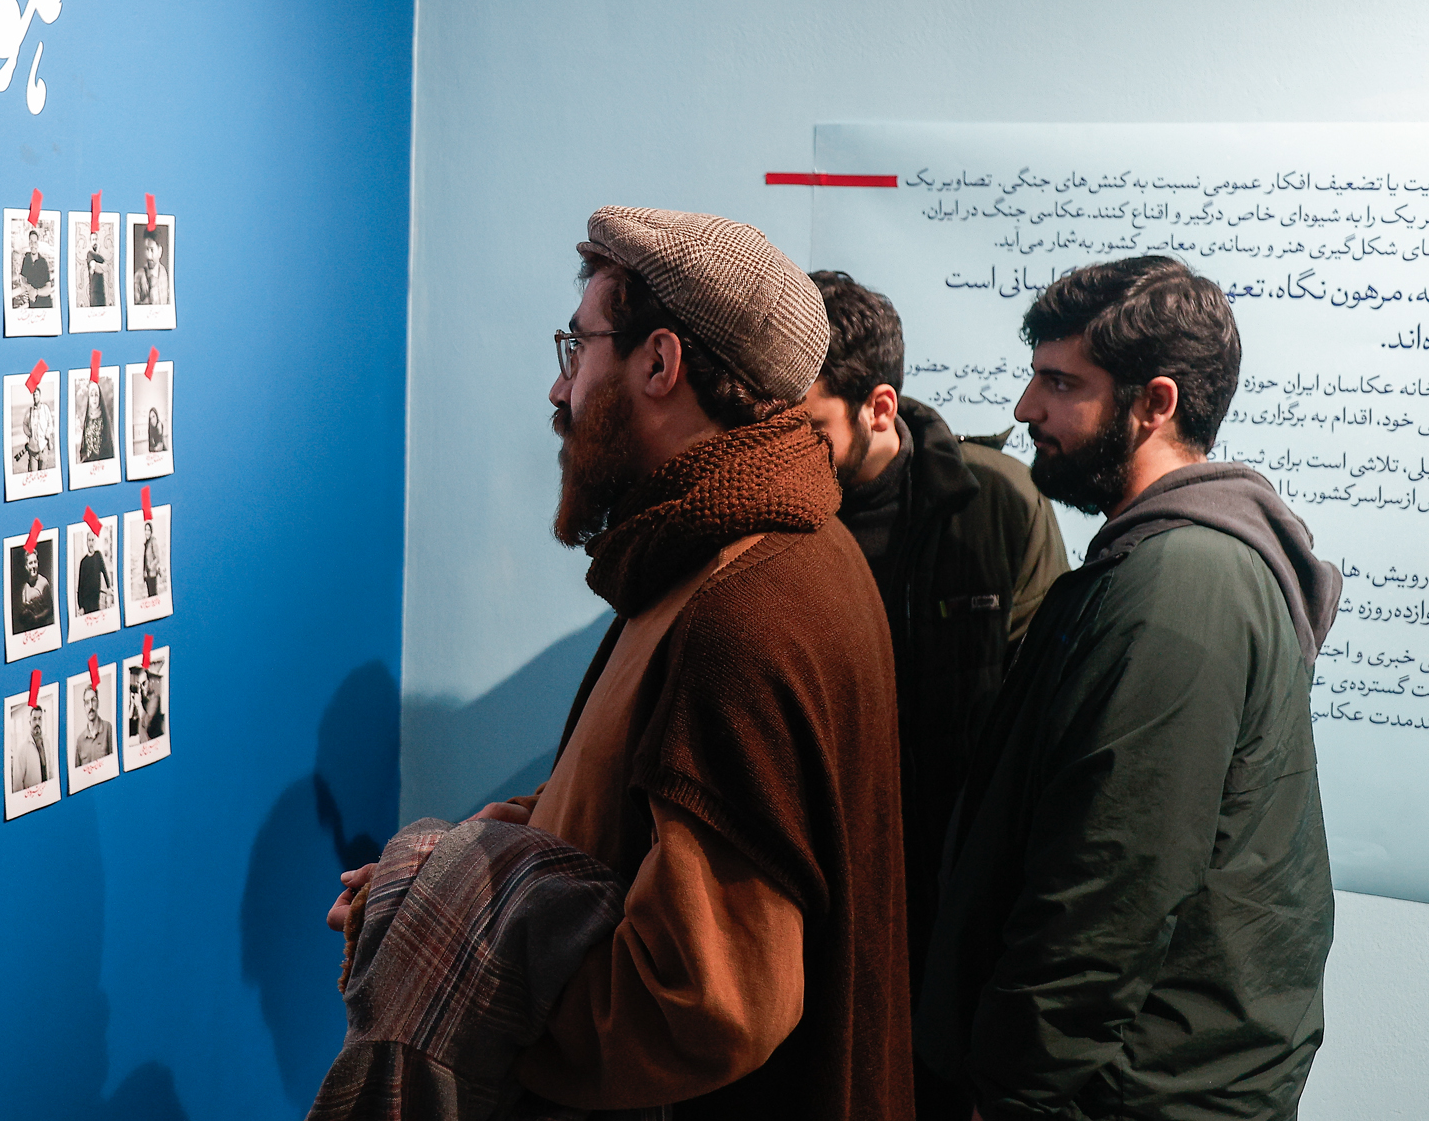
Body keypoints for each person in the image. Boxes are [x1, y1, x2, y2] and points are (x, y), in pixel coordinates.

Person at [333, 207, 912, 1118]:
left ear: (659, 362)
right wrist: (439, 882)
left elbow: (703, 1004)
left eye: (579, 347)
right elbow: (629, 798)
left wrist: (459, 967)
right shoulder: (753, 549)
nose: (559, 389)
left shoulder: (743, 609)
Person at [919, 257, 1338, 1121]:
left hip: (1132, 1094)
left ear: (1155, 403)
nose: (1025, 409)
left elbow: (1108, 891)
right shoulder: (1152, 562)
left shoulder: (1181, 586)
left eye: (1060, 383)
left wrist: (1013, 1092)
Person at [802, 273, 1069, 1119]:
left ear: (879, 407)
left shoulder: (999, 504)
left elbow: (1042, 734)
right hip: (820, 919)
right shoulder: (777, 520)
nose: (785, 455)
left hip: (956, 929)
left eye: (808, 431)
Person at [8, 703, 51, 792]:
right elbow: (17, 782)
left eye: (40, 719)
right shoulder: (22, 748)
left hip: (47, 792)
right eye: (34, 719)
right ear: (30, 722)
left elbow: (50, 769)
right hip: (31, 796)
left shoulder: (47, 742)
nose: (37, 723)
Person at [13, 547, 53, 633]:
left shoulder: (43, 583)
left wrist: (36, 618)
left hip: (42, 629)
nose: (34, 566)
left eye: (35, 562)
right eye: (30, 563)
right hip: (28, 630)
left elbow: (50, 609)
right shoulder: (24, 586)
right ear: (26, 566)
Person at [11, 401, 55, 475]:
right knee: (33, 475)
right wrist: (29, 433)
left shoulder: (45, 409)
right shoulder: (30, 411)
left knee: (42, 475)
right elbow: (25, 424)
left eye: (37, 395)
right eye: (34, 395)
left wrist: (48, 433)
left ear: (39, 396)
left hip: (43, 448)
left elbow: (50, 423)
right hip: (32, 450)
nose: (35, 397)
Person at [78, 377, 115, 463]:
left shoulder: (104, 419)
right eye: (91, 395)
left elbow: (108, 445)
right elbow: (84, 445)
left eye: (96, 395)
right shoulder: (87, 420)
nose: (94, 398)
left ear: (99, 398)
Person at [128, 659, 165, 743]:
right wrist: (133, 704)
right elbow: (132, 726)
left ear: (150, 682)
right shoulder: (143, 701)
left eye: (144, 683)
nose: (142, 687)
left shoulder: (155, 699)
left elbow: (147, 724)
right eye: (139, 684)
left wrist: (139, 704)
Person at [74, 687, 113, 767]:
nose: (90, 706)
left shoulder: (108, 728)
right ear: (84, 707)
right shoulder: (80, 741)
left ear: (98, 703)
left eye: (93, 700)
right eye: (87, 702)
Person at [15, 227, 53, 308]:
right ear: (29, 243)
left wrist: (35, 292)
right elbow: (22, 277)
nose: (33, 245)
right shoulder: (26, 259)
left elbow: (48, 289)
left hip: (45, 304)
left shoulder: (43, 262)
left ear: (38, 244)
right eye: (31, 242)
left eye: (35, 242)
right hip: (32, 305)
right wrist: (28, 286)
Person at [77, 532, 113, 617]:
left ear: (95, 542)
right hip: (86, 601)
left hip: (96, 599)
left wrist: (109, 587)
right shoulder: (83, 562)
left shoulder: (98, 556)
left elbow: (104, 572)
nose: (91, 543)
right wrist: (81, 606)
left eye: (92, 540)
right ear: (87, 542)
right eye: (89, 540)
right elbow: (80, 586)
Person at [132, 226, 171, 305]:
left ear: (160, 251)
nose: (148, 256)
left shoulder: (165, 273)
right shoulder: (138, 276)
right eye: (146, 249)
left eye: (152, 250)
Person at [85, 224, 109, 307]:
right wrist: (100, 267)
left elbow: (106, 268)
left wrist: (99, 267)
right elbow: (94, 266)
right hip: (94, 291)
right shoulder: (90, 254)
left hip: (101, 291)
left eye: (96, 239)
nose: (94, 241)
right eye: (93, 239)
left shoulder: (100, 257)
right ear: (90, 241)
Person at [138, 520, 162, 601]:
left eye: (148, 530)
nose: (147, 532)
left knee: (153, 596)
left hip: (152, 575)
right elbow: (145, 560)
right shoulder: (146, 543)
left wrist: (151, 567)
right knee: (150, 596)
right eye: (145, 530)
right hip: (147, 576)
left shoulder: (153, 541)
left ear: (151, 531)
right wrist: (144, 573)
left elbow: (157, 558)